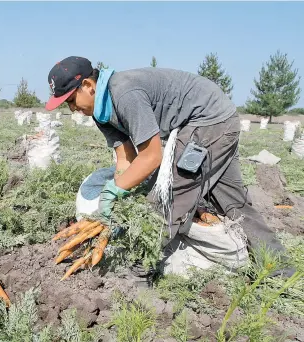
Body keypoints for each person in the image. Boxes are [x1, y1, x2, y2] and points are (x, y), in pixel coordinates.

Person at [45, 56, 293, 277]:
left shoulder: (123, 93)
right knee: (231, 199)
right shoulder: (101, 111)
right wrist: (117, 199)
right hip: (215, 120)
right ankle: (279, 268)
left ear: (88, 86)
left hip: (208, 121)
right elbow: (125, 158)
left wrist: (113, 190)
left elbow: (152, 156)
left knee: (169, 195)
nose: (72, 109)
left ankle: (141, 266)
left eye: (71, 100)